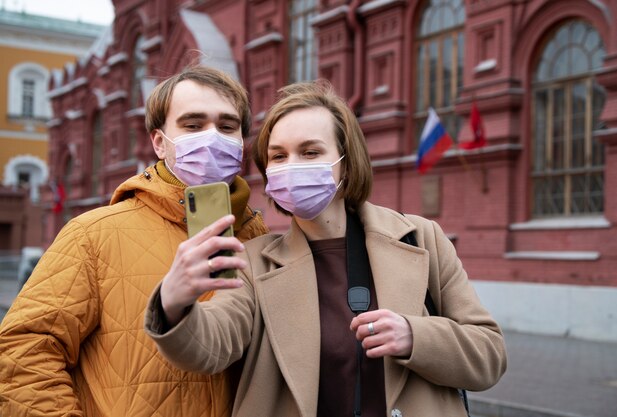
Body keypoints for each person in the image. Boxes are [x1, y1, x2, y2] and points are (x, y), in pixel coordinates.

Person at [144, 81, 507, 417]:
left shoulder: (421, 237)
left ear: (345, 164)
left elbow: (489, 355)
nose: (292, 166)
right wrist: (173, 304)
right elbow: (213, 346)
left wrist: (415, 336)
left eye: (310, 151)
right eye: (279, 156)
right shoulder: (254, 260)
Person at [0, 65, 268, 417]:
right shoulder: (93, 233)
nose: (212, 136)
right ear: (159, 142)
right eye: (192, 125)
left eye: (227, 126)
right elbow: (24, 352)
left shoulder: (259, 238)